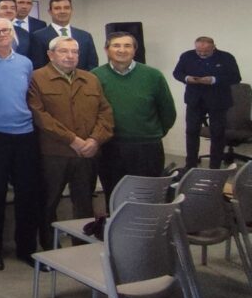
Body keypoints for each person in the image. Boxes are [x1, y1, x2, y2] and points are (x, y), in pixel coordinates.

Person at [28, 36, 114, 250]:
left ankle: (82, 247)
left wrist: (95, 140)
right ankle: (50, 248)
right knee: (48, 203)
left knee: (84, 204)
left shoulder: (90, 79)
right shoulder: (37, 78)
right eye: (64, 51)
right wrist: (72, 140)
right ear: (50, 55)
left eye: (74, 52)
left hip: (87, 154)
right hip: (53, 154)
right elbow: (40, 116)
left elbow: (105, 113)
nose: (70, 56)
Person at [0, 17, 42, 269]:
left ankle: (26, 248)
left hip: (25, 136)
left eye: (6, 30)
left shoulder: (25, 63)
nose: (2, 34)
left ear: (13, 34)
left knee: (27, 195)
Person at [93, 32, 176, 200]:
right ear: (107, 50)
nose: (122, 50)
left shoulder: (153, 75)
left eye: (127, 46)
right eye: (116, 45)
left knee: (147, 196)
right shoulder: (94, 76)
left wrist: (153, 133)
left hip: (147, 147)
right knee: (114, 196)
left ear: (135, 50)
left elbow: (168, 111)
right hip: (110, 146)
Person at [172, 36, 242, 169]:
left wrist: (214, 80)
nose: (202, 54)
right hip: (194, 100)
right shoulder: (187, 56)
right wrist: (187, 78)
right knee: (191, 132)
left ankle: (215, 167)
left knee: (217, 133)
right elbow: (177, 73)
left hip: (218, 100)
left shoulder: (226, 57)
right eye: (199, 51)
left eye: (206, 52)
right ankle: (190, 165)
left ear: (214, 47)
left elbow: (235, 77)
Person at [28, 0, 98, 71]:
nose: (62, 11)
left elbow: (92, 65)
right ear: (50, 12)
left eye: (66, 8)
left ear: (71, 10)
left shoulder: (85, 36)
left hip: (81, 78)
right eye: (57, 8)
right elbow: (38, 66)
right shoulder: (38, 36)